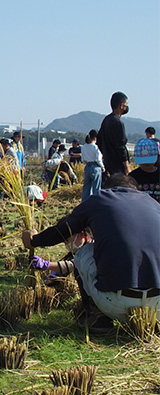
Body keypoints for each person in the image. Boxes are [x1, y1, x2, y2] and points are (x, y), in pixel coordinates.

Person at [21, 174, 160, 334]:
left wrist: (34, 240)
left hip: (116, 303)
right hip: (158, 307)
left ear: (107, 189)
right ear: (135, 190)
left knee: (85, 250)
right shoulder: (153, 203)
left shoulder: (100, 199)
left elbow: (63, 230)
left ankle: (96, 316)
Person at [97, 91, 131, 176]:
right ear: (121, 106)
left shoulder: (106, 120)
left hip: (108, 163)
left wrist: (106, 154)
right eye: (126, 105)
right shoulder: (118, 122)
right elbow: (120, 146)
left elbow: (99, 141)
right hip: (118, 166)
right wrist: (126, 165)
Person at [129, 138, 160, 204]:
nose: (147, 163)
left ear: (157, 156)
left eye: (149, 160)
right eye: (144, 161)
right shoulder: (133, 176)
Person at [81, 130, 105, 202]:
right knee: (96, 187)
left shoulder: (84, 147)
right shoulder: (95, 147)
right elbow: (98, 159)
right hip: (95, 166)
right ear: (95, 137)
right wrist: (102, 167)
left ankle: (84, 204)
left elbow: (83, 159)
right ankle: (96, 203)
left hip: (87, 166)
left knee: (86, 187)